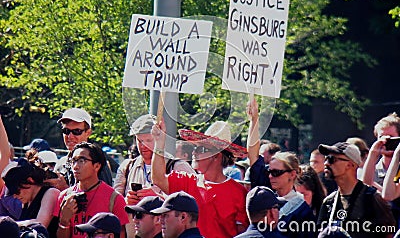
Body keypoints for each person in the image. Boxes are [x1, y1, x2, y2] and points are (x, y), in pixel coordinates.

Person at [152, 120, 249, 238]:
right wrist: (159, 143)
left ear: (216, 156)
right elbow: (158, 179)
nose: (194, 152)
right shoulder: (188, 181)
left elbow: (242, 233)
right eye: (195, 148)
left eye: (201, 149)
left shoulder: (239, 193)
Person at [113, 114, 194, 238]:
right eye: (139, 141)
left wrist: (160, 200)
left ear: (159, 139)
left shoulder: (178, 166)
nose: (143, 145)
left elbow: (193, 208)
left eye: (148, 140)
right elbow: (114, 207)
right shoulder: (127, 167)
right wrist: (127, 202)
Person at [246, 99, 315, 238]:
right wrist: (254, 120)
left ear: (292, 174)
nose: (271, 176)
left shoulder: (302, 210)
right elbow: (253, 155)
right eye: (269, 171)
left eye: (276, 172)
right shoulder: (264, 192)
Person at [317, 142, 396, 238]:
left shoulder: (372, 198)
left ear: (350, 165)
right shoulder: (329, 202)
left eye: (332, 160)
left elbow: (388, 234)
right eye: (326, 159)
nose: (326, 163)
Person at [54, 142, 129, 238]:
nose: (75, 166)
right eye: (73, 161)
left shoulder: (114, 199)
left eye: (82, 160)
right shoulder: (65, 197)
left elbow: (121, 234)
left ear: (97, 166)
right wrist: (64, 221)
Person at [52, 108, 114, 190]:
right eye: (66, 131)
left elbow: (104, 197)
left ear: (88, 133)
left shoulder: (96, 161)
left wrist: (65, 188)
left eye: (76, 131)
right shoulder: (61, 164)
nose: (70, 136)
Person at [2, 157, 60, 229]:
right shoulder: (27, 201)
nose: (15, 196)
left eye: (17, 191)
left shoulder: (51, 193)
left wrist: (6, 224)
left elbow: (40, 224)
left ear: (30, 181)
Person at [362, 112, 400, 191]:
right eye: (382, 137)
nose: (386, 142)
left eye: (391, 138)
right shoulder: (372, 171)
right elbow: (366, 183)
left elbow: (390, 195)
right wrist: (373, 153)